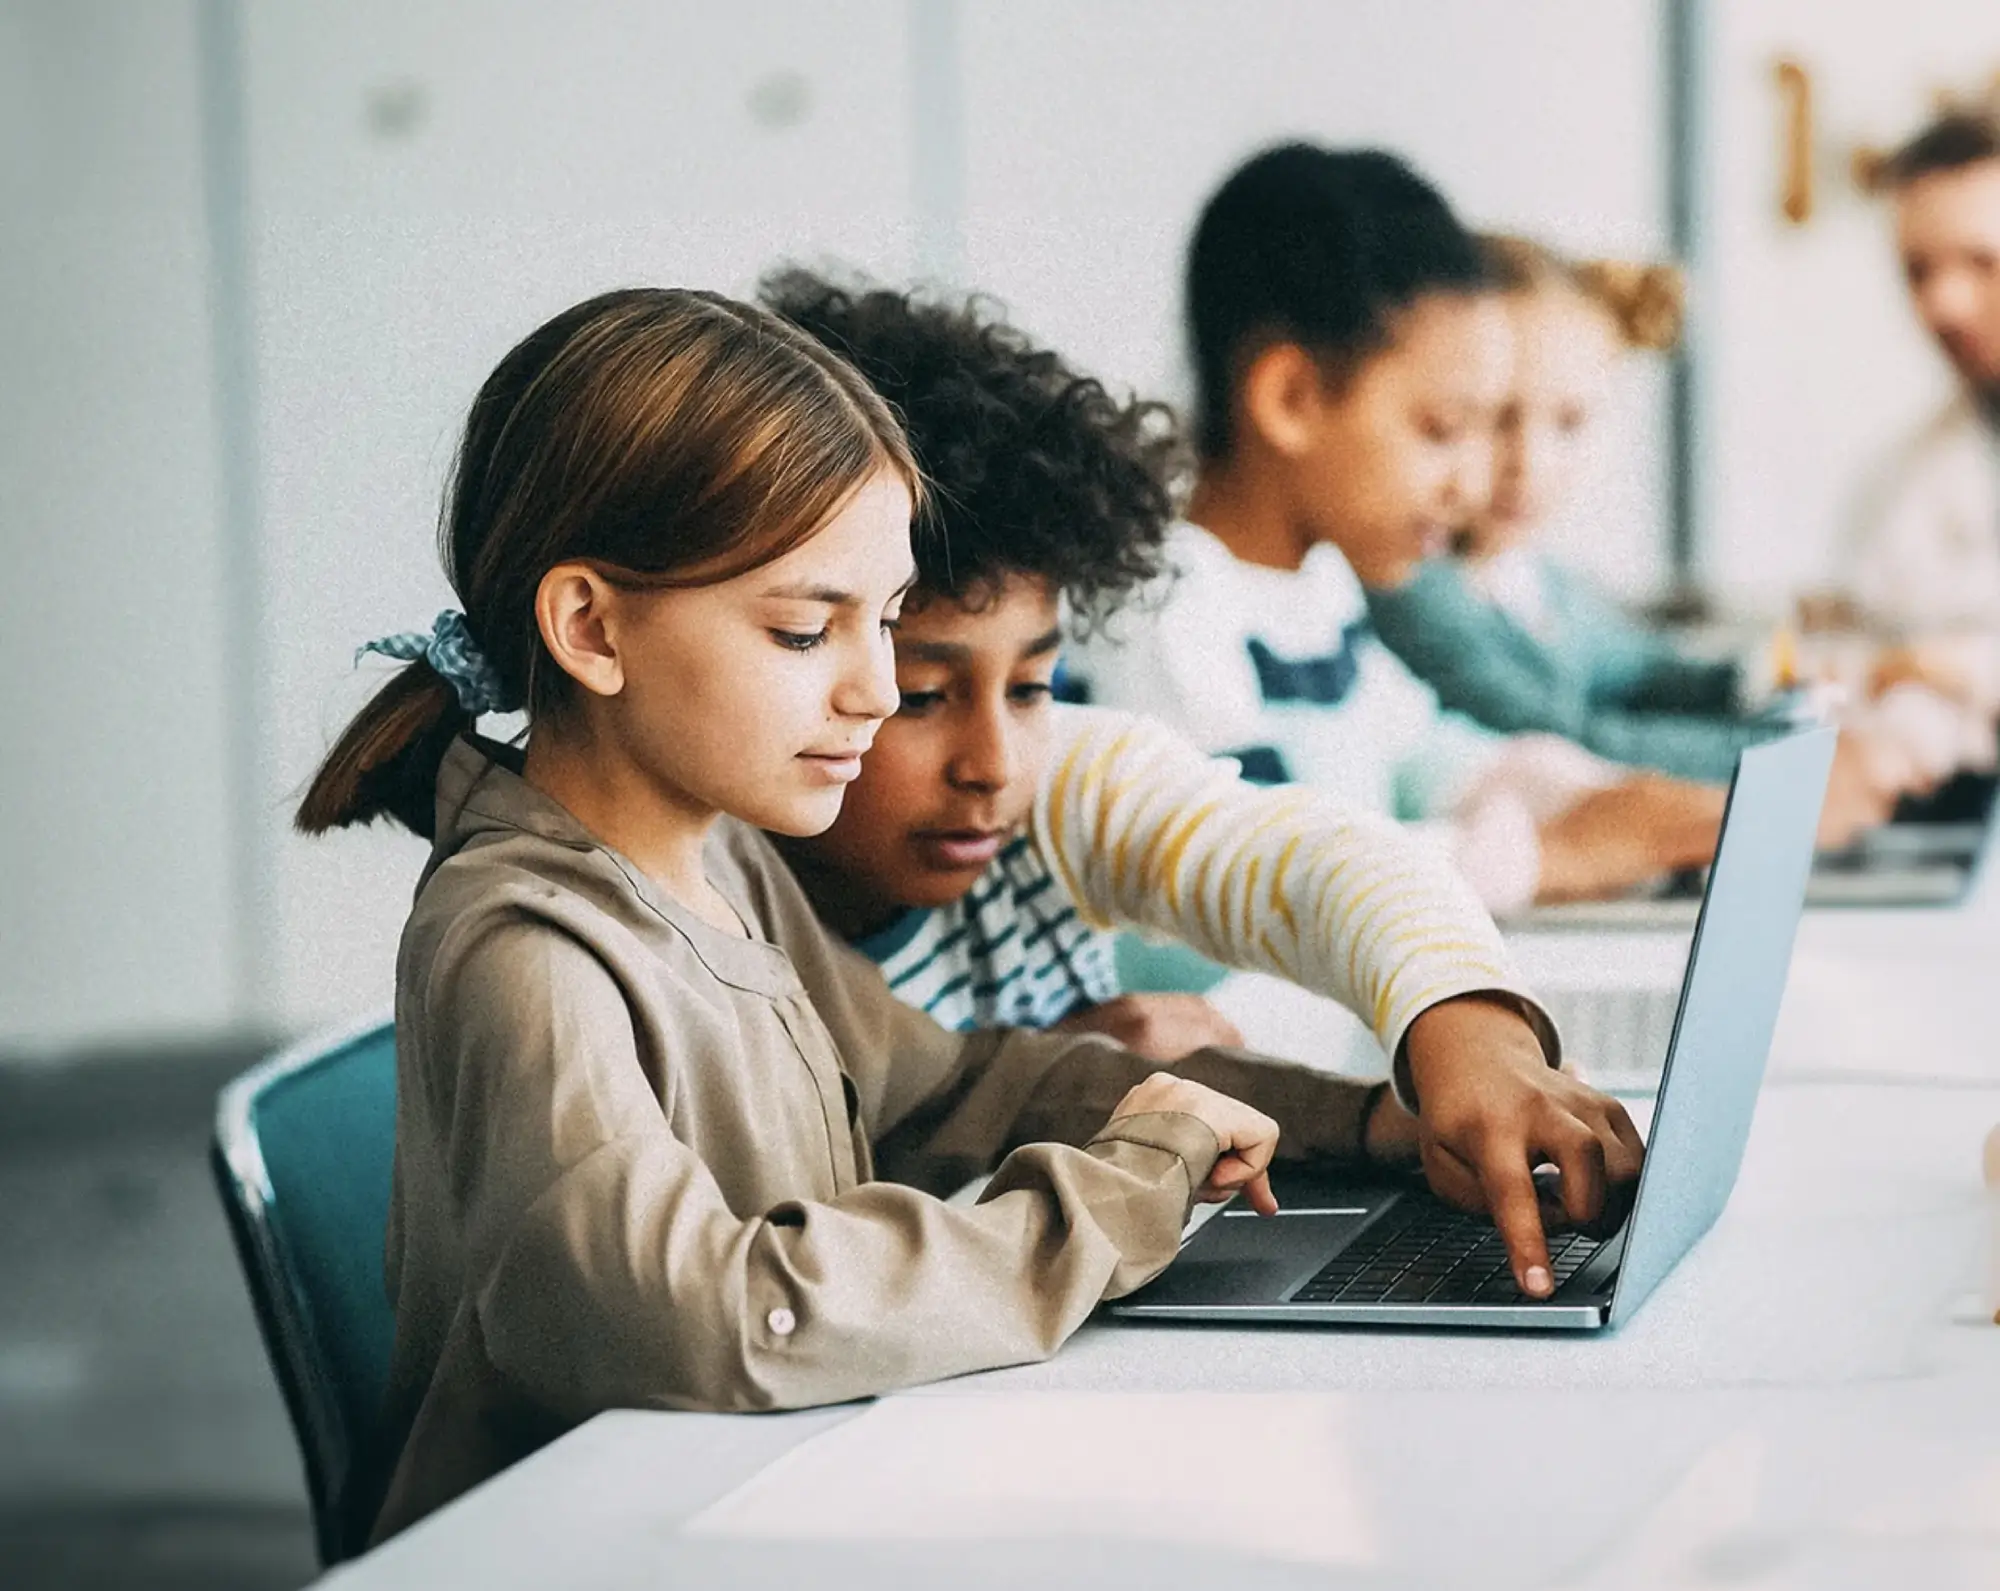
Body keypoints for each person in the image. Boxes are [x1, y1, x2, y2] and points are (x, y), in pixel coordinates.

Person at [295, 287, 1642, 1545]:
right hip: (592, 1548)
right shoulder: (528, 947)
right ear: (591, 626)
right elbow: (696, 1318)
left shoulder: (728, 864)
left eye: (883, 622)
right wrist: (1115, 1196)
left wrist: (1359, 1124)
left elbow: (956, 1087)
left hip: (762, 1503)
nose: (874, 689)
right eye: (806, 629)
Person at [761, 270, 1552, 1082]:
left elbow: (1319, 865)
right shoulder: (731, 929)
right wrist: (1041, 1087)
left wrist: (1473, 1028)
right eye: (922, 696)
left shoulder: (1061, 786)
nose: (992, 763)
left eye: (1033, 685)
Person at [1074, 143, 1745, 917]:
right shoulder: (1166, 608)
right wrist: (1545, 857)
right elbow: (1254, 884)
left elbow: (1423, 752)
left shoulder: (1318, 588)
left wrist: (1600, 794)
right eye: (1441, 429)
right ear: (1291, 398)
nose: (1471, 482)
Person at [1364, 236, 1921, 816]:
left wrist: (1808, 676)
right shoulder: (1408, 586)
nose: (1528, 463)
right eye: (1496, 417)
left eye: (1570, 422)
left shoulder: (1538, 579)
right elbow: (1572, 742)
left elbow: (1642, 672)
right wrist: (1806, 755)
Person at [1846, 107, 2000, 717]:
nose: (1945, 304)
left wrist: (1966, 675)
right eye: (1918, 272)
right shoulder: (1899, 484)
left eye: (1983, 263)